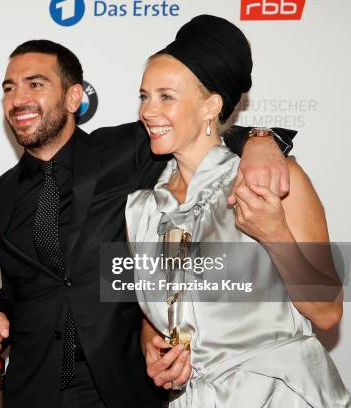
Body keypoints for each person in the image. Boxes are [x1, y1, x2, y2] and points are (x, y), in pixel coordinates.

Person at [0, 39, 296, 408]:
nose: (18, 99)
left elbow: (200, 132)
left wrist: (261, 139)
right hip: (33, 392)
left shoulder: (127, 149)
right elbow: (2, 306)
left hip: (125, 389)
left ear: (74, 97)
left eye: (35, 84)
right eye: (9, 88)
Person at [125, 15, 350, 407]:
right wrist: (153, 345)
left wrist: (273, 232)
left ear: (211, 105)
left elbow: (328, 312)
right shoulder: (143, 209)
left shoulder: (273, 178)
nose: (148, 110)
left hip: (281, 396)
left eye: (166, 96)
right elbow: (163, 309)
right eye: (144, 96)